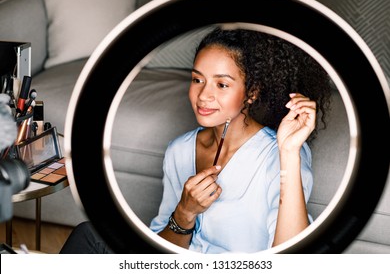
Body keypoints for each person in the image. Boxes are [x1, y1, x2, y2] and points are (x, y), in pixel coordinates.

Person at [60, 26, 332, 254]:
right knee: (90, 234)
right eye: (197, 79)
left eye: (222, 84)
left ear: (251, 92)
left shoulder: (280, 153)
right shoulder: (180, 150)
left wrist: (289, 151)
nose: (203, 95)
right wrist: (184, 214)